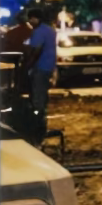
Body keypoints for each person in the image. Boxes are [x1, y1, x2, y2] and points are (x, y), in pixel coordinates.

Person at [23, 8, 58, 140]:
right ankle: (41, 119)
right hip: (48, 66)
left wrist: (28, 65)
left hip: (41, 67)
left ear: (35, 18)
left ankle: (38, 125)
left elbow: (36, 50)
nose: (29, 22)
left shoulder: (38, 32)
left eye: (30, 19)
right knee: (42, 93)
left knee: (37, 96)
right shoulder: (50, 30)